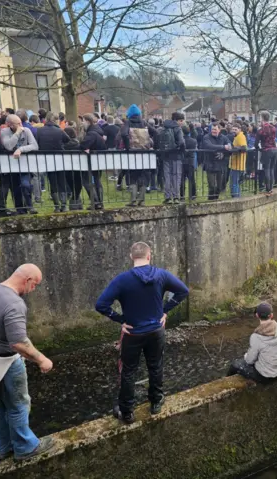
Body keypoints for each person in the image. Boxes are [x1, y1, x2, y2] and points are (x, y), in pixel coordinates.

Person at [0, 264, 55, 461]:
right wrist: (42, 359)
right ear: (28, 280)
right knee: (18, 405)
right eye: (35, 285)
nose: (34, 290)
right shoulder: (14, 303)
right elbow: (18, 342)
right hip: (4, 363)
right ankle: (25, 448)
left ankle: (3, 449)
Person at [95, 242, 189, 421]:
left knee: (129, 371)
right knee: (155, 366)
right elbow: (183, 291)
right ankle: (156, 402)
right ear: (149, 255)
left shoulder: (122, 279)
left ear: (131, 257)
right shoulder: (161, 275)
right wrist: (165, 310)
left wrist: (121, 320)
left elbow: (101, 305)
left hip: (133, 333)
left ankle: (127, 412)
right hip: (156, 330)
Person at [227, 302, 277, 383]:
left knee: (235, 365)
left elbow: (249, 361)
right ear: (271, 315)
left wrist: (246, 356)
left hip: (266, 377)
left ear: (257, 315)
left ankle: (228, 384)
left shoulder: (256, 337)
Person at [1, 114, 39, 215]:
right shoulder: (4, 132)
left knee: (25, 184)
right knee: (15, 188)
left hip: (25, 164)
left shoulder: (26, 130)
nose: (20, 125)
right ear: (9, 124)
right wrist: (17, 133)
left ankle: (30, 206)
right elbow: (9, 146)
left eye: (20, 123)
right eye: (17, 124)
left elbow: (34, 146)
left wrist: (20, 149)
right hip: (11, 165)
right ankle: (20, 209)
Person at [36, 112, 71, 212]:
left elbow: (37, 143)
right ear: (56, 120)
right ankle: (64, 205)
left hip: (47, 159)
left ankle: (56, 206)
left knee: (52, 182)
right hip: (60, 158)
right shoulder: (59, 130)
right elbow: (67, 139)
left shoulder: (39, 131)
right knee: (62, 181)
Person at [79, 114, 107, 210]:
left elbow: (82, 145)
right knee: (97, 181)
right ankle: (99, 202)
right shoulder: (98, 131)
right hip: (98, 160)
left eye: (83, 121)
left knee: (87, 181)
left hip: (92, 160)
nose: (82, 123)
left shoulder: (92, 133)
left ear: (87, 121)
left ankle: (95, 201)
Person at [157, 112, 186, 204]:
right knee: (176, 176)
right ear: (176, 120)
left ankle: (168, 197)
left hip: (166, 155)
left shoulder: (164, 127)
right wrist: (180, 149)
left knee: (167, 176)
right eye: (181, 120)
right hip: (176, 156)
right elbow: (181, 142)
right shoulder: (177, 129)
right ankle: (176, 197)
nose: (182, 122)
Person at [202, 123, 232, 200]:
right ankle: (211, 200)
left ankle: (216, 198)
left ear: (219, 130)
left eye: (215, 129)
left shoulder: (223, 137)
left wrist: (224, 154)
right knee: (212, 185)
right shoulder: (206, 137)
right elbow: (209, 146)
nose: (213, 131)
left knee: (219, 186)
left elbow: (230, 146)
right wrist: (223, 147)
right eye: (212, 129)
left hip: (220, 164)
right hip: (210, 163)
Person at [256, 111, 277, 196]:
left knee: (267, 169)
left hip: (266, 150)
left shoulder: (260, 130)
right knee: (271, 169)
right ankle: (271, 188)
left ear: (262, 118)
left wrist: (259, 149)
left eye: (260, 118)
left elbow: (256, 143)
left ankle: (268, 189)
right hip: (274, 150)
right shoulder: (273, 128)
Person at [229, 123, 248, 198]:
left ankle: (236, 199)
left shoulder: (240, 136)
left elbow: (244, 148)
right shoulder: (237, 136)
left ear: (239, 130)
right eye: (232, 129)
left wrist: (233, 149)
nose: (233, 131)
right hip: (235, 164)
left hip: (238, 165)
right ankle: (237, 197)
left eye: (235, 130)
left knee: (234, 183)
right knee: (235, 183)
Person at [180, 125, 197, 201]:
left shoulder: (180, 141)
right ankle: (192, 195)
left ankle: (182, 195)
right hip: (190, 161)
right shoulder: (193, 141)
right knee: (192, 179)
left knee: (182, 179)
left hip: (182, 161)